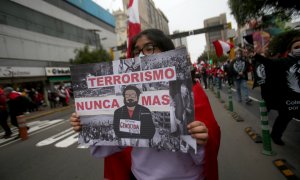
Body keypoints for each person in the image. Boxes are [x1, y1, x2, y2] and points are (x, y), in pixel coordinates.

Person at [70, 29, 221, 180]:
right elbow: (112, 145)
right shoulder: (126, 96)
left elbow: (207, 154)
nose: (141, 55)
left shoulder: (189, 91)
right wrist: (88, 124)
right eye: (136, 52)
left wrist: (200, 140)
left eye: (149, 49)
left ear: (167, 51)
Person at [253, 37, 300, 145]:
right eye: (296, 47)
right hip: (288, 99)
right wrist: (256, 55)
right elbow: (269, 63)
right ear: (290, 50)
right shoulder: (284, 61)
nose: (299, 49)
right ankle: (275, 135)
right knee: (284, 117)